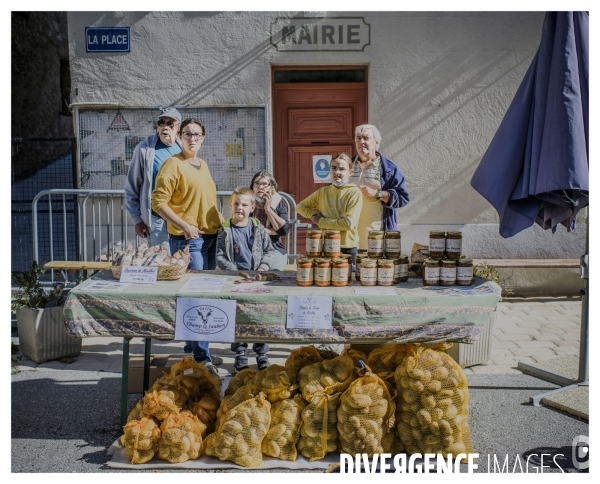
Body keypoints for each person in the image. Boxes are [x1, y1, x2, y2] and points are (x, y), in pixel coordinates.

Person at [151, 117, 222, 377]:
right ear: (180, 136)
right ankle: (202, 359)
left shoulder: (202, 165)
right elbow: (158, 202)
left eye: (197, 134)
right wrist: (184, 226)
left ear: (203, 139)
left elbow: (204, 200)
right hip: (189, 240)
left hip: (211, 236)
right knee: (199, 299)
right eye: (188, 134)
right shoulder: (173, 165)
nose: (193, 138)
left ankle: (193, 353)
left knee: (202, 297)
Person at [216, 187, 277, 373]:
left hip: (256, 280)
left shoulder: (258, 229)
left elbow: (269, 251)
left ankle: (261, 353)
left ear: (252, 208)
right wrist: (235, 272)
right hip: (236, 282)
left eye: (244, 204)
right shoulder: (225, 229)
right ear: (230, 205)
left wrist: (263, 268)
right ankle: (240, 353)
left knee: (258, 316)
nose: (239, 208)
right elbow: (219, 256)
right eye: (236, 204)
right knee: (237, 317)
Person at [124, 107, 182, 248]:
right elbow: (131, 186)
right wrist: (137, 220)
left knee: (182, 264)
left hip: (181, 219)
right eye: (161, 122)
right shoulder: (145, 149)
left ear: (178, 128)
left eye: (170, 123)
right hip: (158, 221)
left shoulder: (184, 148)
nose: (165, 127)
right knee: (161, 265)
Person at [349, 124, 410, 251]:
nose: (362, 142)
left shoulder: (389, 168)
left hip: (377, 240)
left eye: (366, 138)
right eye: (358, 138)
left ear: (376, 142)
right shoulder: (346, 166)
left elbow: (403, 197)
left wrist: (378, 193)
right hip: (350, 241)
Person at [296, 153, 362, 267]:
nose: (337, 172)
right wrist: (313, 214)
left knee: (348, 282)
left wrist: (321, 221)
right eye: (333, 168)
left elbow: (348, 224)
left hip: (346, 247)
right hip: (325, 245)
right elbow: (299, 207)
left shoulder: (354, 192)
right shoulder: (323, 191)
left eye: (342, 169)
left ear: (350, 172)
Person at [249, 170, 290, 271]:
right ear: (252, 187)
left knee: (273, 273)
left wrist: (268, 210)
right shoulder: (248, 204)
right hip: (250, 249)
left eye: (264, 184)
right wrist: (271, 231)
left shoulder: (278, 206)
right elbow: (244, 228)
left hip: (274, 249)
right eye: (257, 184)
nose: (260, 187)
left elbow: (284, 231)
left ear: (271, 187)